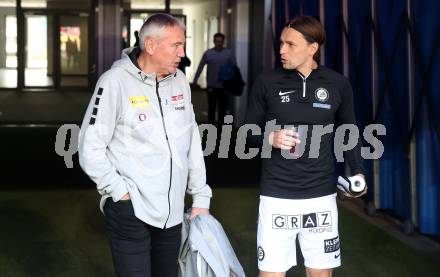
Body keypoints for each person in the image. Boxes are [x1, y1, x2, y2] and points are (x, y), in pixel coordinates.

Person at [78, 13, 212, 277]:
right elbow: (89, 148)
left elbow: (191, 140)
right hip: (131, 210)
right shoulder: (114, 81)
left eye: (182, 45)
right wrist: (119, 192)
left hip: (173, 212)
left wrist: (200, 195)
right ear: (150, 45)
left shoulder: (180, 81)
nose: (183, 53)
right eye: (176, 45)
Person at [245, 16, 367, 277]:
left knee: (320, 274)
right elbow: (247, 133)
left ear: (312, 48)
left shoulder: (337, 84)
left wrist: (358, 171)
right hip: (277, 196)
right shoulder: (266, 82)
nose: (282, 50)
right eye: (281, 43)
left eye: (290, 44)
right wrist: (270, 138)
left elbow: (349, 131)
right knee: (271, 274)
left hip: (321, 197)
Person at [192, 33, 236, 124]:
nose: (218, 43)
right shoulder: (208, 53)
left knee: (222, 109)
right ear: (214, 41)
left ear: (223, 42)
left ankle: (220, 129)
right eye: (217, 41)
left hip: (224, 86)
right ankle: (211, 127)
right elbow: (200, 67)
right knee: (211, 107)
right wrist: (195, 80)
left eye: (220, 41)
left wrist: (234, 83)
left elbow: (234, 68)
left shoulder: (229, 53)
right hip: (212, 85)